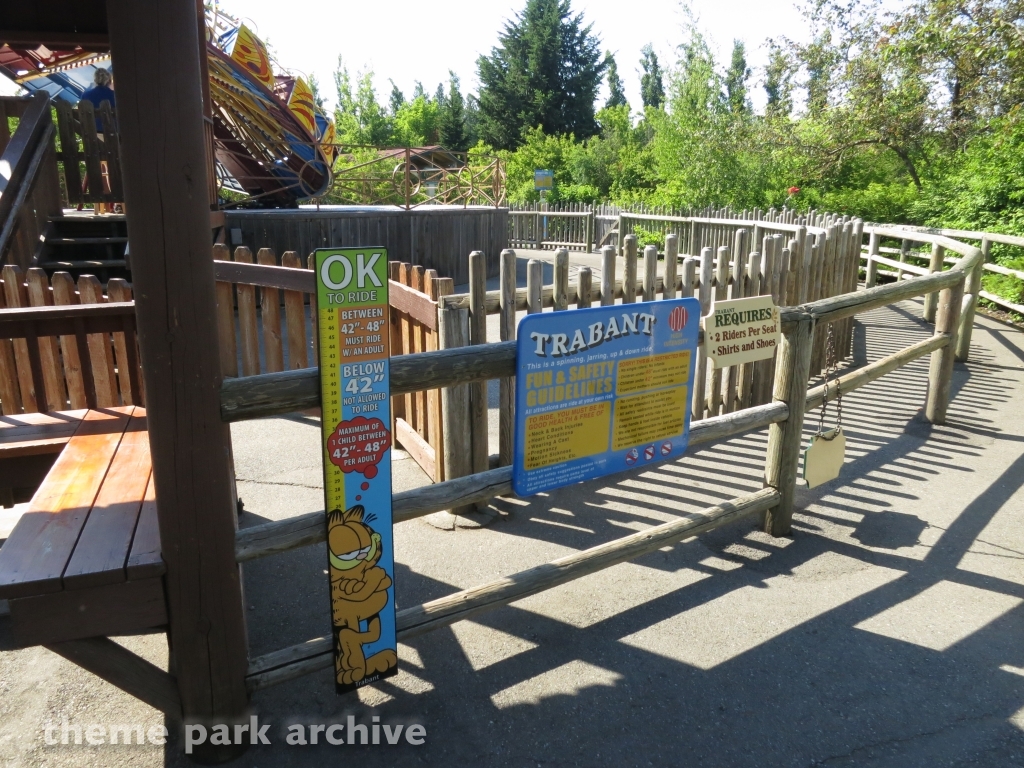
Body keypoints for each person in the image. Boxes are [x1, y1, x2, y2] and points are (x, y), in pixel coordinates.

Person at [78, 68, 117, 213]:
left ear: (95, 79)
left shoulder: (86, 95)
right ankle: (115, 202)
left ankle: (102, 203)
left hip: (92, 138)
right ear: (109, 80)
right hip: (111, 137)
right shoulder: (114, 96)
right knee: (114, 165)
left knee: (99, 166)